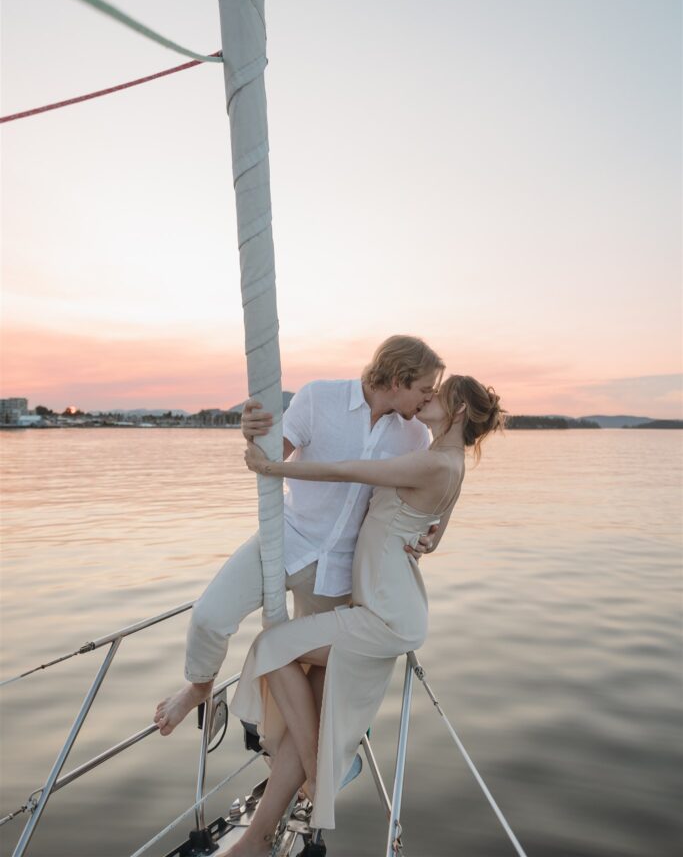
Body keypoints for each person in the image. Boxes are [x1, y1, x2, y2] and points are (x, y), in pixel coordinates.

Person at [225, 374, 505, 854]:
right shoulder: (447, 461)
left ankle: (320, 774)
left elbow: (346, 471)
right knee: (301, 689)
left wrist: (273, 469)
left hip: (384, 615)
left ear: (457, 411)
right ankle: (268, 826)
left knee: (271, 646)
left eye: (439, 395)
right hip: (384, 606)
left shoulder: (434, 462)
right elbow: (444, 508)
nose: (428, 397)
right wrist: (437, 535)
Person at [154, 335, 444, 734]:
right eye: (424, 389)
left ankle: (281, 763)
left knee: (305, 674)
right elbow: (267, 457)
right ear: (398, 379)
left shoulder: (414, 436)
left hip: (346, 570)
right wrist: (249, 430)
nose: (428, 399)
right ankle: (199, 686)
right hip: (285, 540)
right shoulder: (318, 399)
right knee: (208, 616)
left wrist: (430, 535)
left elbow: (419, 503)